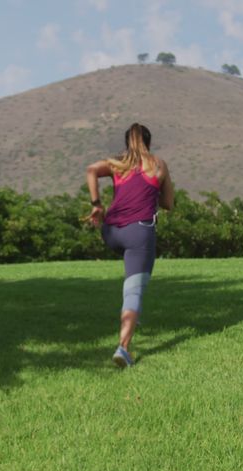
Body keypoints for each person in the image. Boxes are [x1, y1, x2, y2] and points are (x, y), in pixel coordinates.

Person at [85, 123, 175, 368]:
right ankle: (123, 348)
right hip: (139, 233)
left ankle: (132, 318)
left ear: (127, 142)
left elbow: (91, 169)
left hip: (111, 232)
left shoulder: (118, 164)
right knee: (133, 292)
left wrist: (97, 204)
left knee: (133, 285)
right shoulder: (158, 164)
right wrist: (152, 191)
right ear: (149, 141)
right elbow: (168, 203)